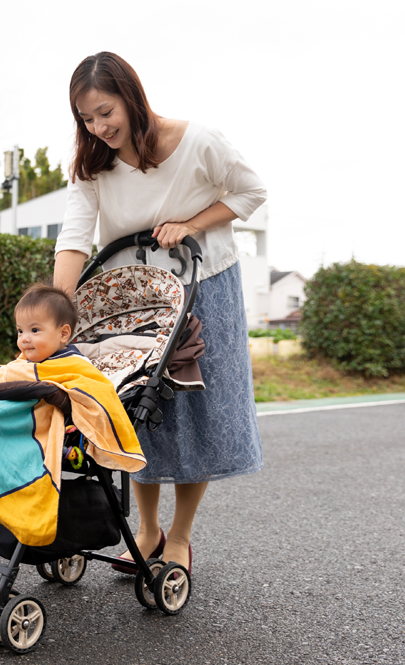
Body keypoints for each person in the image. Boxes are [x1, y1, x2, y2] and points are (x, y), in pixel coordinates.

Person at [52, 52, 266, 575]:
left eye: (106, 112)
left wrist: (192, 221)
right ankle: (147, 530)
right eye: (86, 119)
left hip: (202, 285)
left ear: (131, 96)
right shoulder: (92, 163)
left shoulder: (198, 141)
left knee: (196, 413)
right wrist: (57, 316)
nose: (99, 128)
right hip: (132, 296)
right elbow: (76, 235)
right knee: (136, 407)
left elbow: (251, 192)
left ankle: (181, 538)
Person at [13, 283, 80, 363]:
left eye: (34, 330)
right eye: (20, 331)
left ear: (63, 334)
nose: (24, 339)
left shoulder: (75, 365)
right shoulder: (24, 363)